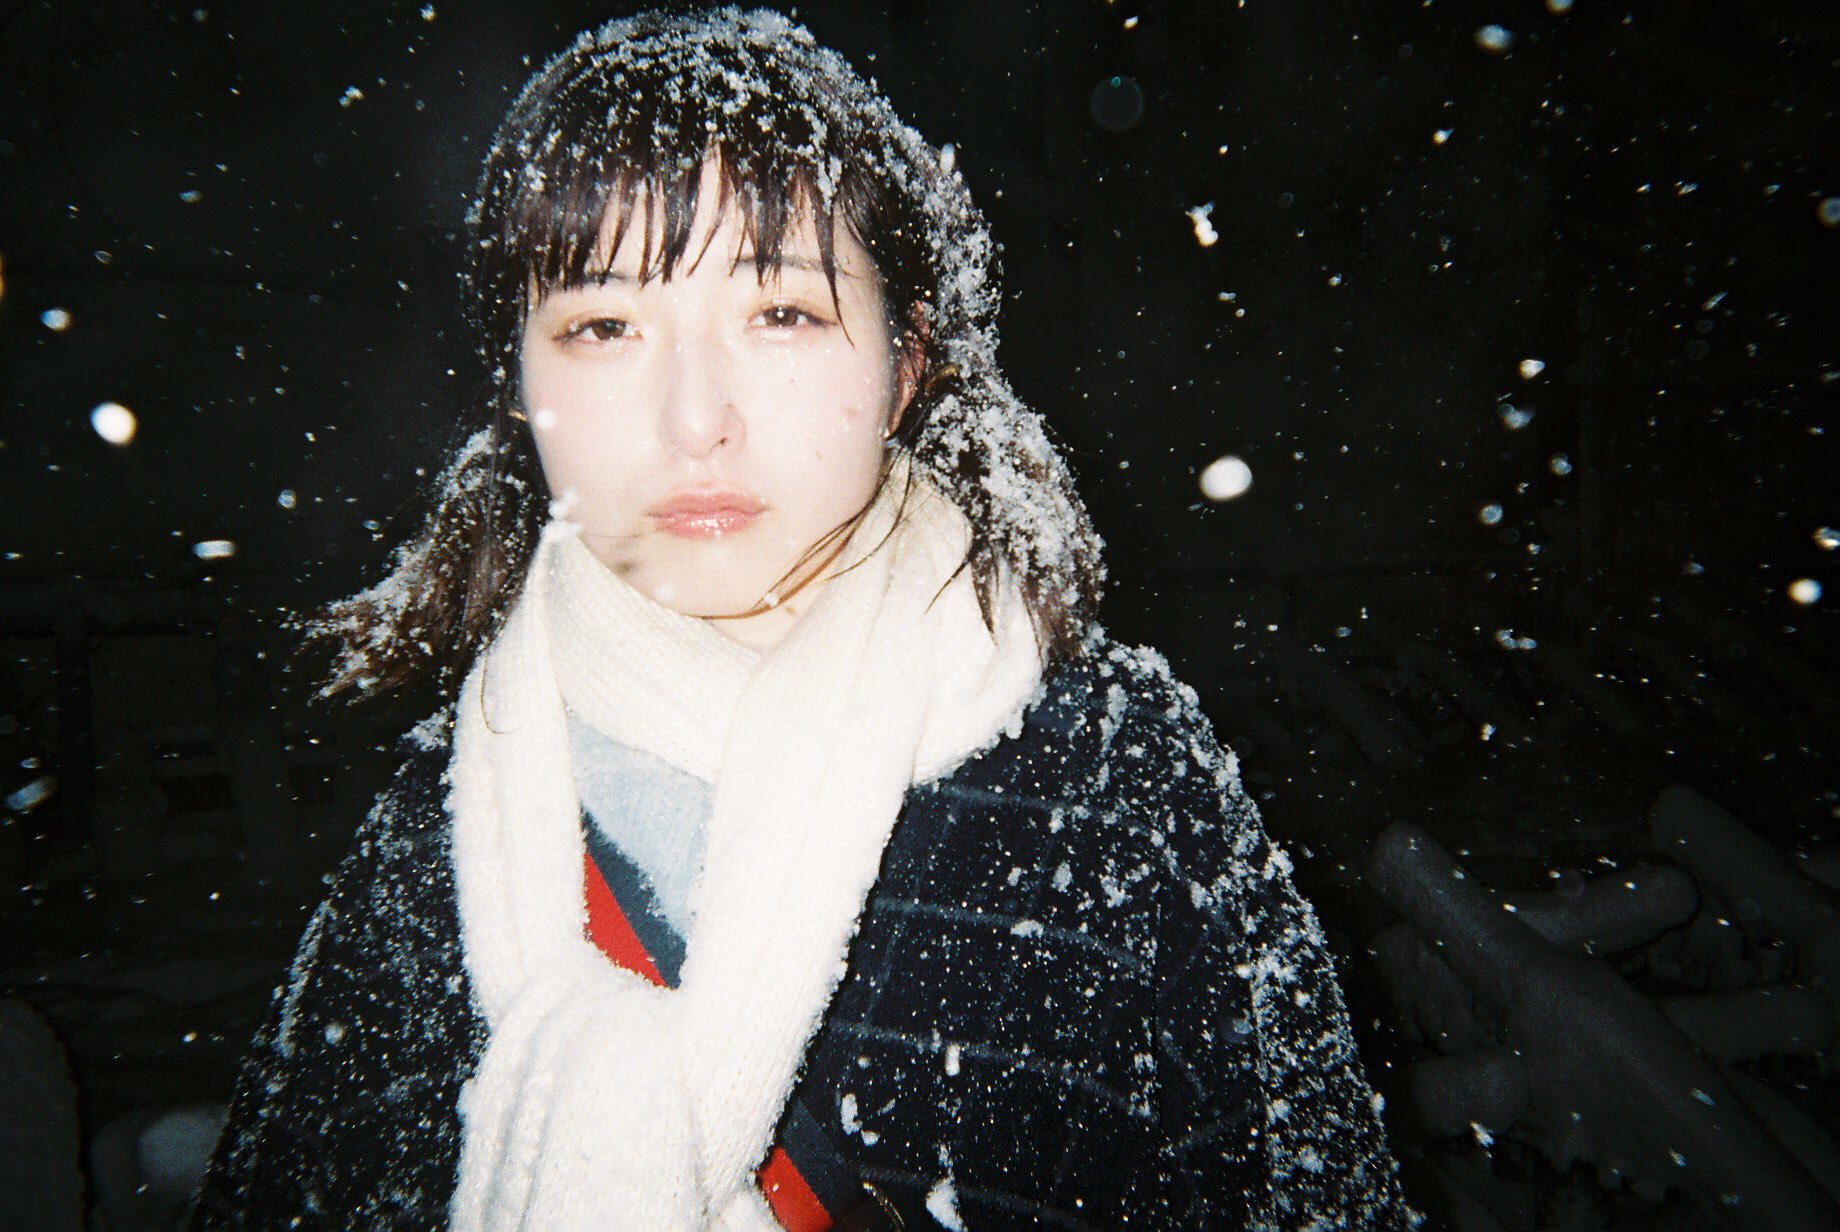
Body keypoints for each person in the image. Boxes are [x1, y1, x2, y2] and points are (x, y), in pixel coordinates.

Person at [193, 8, 1418, 1230]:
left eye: (781, 312)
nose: (694, 419)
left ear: (905, 360)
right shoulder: (438, 835)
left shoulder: (1122, 783)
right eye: (604, 326)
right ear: (520, 386)